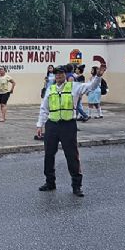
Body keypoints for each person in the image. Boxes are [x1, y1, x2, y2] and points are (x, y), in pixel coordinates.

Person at [36, 65, 105, 197]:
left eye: (61, 74)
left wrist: (99, 76)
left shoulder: (74, 87)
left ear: (65, 75)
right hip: (52, 125)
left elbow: (91, 86)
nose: (58, 76)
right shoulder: (50, 89)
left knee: (72, 155)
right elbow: (44, 108)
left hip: (68, 125)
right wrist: (40, 125)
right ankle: (50, 182)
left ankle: (76, 186)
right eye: (56, 74)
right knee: (49, 155)